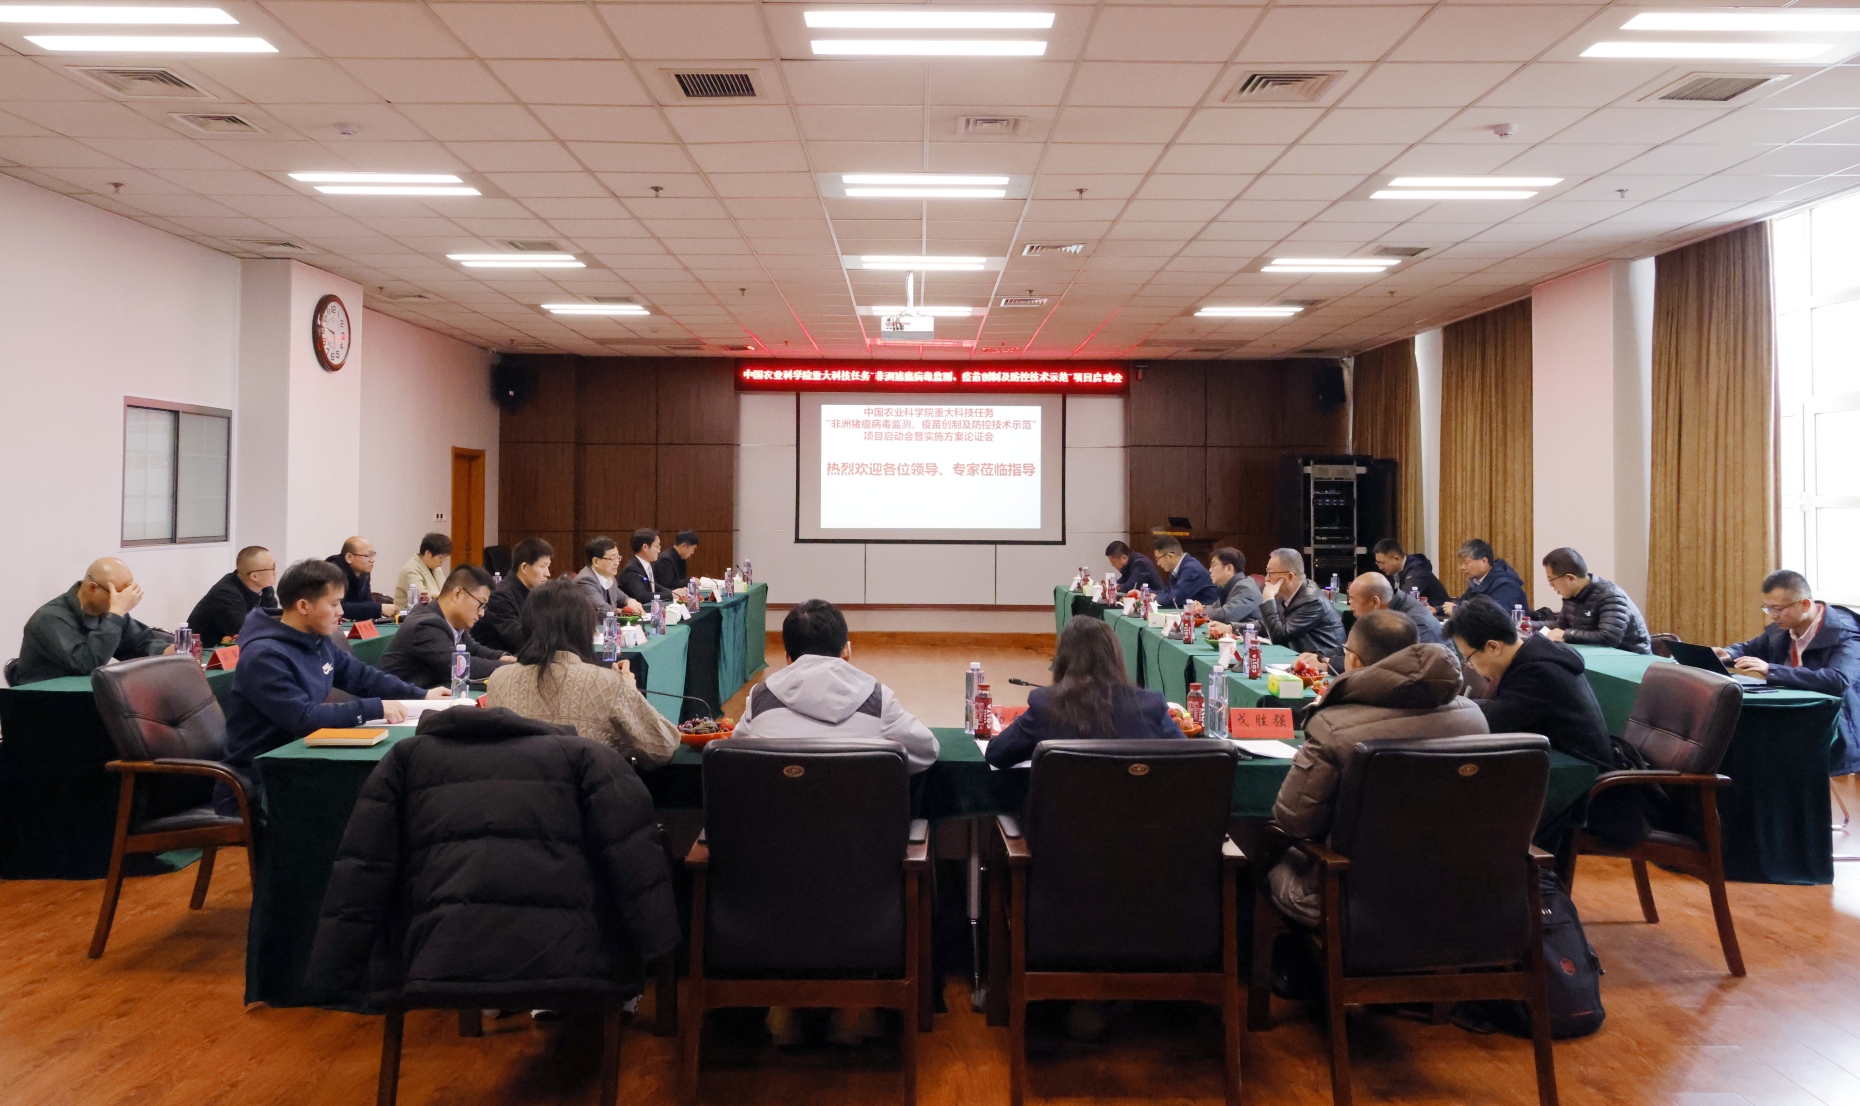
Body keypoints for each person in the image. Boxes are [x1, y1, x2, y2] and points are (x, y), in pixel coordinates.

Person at [304, 704, 680, 1020]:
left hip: (431, 960)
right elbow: (635, 860)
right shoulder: (588, 756)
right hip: (573, 961)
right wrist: (657, 949)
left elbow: (363, 867)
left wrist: (334, 975)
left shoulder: (403, 759)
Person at [732, 597, 938, 1047]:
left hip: (770, 885)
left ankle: (783, 1010)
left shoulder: (760, 698)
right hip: (863, 881)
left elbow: (738, 756)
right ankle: (854, 1013)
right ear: (847, 650)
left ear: (787, 656)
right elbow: (927, 751)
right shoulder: (876, 698)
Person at [1267, 613, 1489, 925]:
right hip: (1461, 891)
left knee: (1257, 851)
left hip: (1349, 894)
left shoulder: (1333, 727)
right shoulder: (1475, 718)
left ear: (1353, 660)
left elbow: (1294, 823)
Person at [217, 560, 442, 815]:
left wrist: (422, 695)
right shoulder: (263, 656)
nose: (341, 612)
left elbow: (362, 676)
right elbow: (303, 718)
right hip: (260, 781)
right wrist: (374, 708)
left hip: (304, 763)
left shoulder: (315, 639)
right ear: (303, 606)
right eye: (334, 604)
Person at [1445, 596, 1643, 847]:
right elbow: (1501, 711)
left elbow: (1492, 721)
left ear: (1493, 647)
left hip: (1582, 790)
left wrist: (1450, 709)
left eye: (1469, 658)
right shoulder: (1532, 656)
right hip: (1560, 772)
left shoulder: (1538, 672)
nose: (1470, 666)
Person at [481, 578, 680, 769]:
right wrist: (630, 690)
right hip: (585, 792)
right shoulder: (607, 683)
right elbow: (663, 748)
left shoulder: (500, 679)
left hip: (519, 791)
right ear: (584, 628)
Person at [985, 615, 1183, 769]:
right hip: (1137, 810)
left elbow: (996, 754)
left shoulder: (1045, 704)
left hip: (1063, 810)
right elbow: (1188, 757)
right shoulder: (1150, 705)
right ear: (1115, 657)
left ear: (1063, 659)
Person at [1719, 569, 1860, 776]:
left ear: (1805, 604)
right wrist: (1727, 654)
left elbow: (1838, 680)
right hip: (1797, 722)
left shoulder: (1845, 633)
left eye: (1778, 608)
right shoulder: (1784, 628)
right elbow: (1750, 649)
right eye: (1768, 608)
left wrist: (1771, 669)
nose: (1773, 615)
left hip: (1837, 733)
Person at [7, 557, 173, 686]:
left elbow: (139, 644)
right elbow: (86, 664)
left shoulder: (108, 613)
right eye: (117, 594)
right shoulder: (48, 619)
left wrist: (169, 651)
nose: (122, 601)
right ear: (93, 588)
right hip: (44, 703)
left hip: (83, 699)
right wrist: (115, 615)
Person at [379, 565, 516, 689]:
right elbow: (460, 666)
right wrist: (512, 668)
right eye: (480, 604)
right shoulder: (426, 625)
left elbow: (474, 650)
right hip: (398, 701)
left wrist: (502, 656)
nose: (482, 613)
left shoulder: (449, 621)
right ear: (458, 594)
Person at [1296, 571, 1446, 675]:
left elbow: (1389, 667)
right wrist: (1318, 656)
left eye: (1352, 599)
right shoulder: (1382, 615)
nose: (1350, 607)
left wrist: (1329, 664)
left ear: (1374, 602)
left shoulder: (1414, 623)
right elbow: (1354, 648)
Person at [1540, 547, 1651, 654]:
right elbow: (1560, 626)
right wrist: (1531, 625)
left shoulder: (1610, 596)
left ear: (1571, 578)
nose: (1551, 585)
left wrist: (1566, 634)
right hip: (1598, 655)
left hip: (1631, 656)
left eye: (1551, 579)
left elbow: (1609, 638)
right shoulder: (1572, 595)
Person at [1255, 548, 1346, 659]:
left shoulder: (1311, 600)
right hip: (1302, 656)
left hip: (1323, 661)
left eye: (1270, 573)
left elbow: (1279, 637)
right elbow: (1268, 625)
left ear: (1290, 577)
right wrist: (1236, 627)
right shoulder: (1286, 595)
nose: (1266, 579)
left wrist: (1268, 599)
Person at [185, 545, 278, 651]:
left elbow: (273, 623)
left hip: (234, 650)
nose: (276, 572)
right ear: (254, 576)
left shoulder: (266, 590)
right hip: (202, 652)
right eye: (272, 568)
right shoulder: (224, 594)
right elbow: (246, 631)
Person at [475, 537, 553, 654]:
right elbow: (519, 639)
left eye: (548, 567)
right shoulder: (499, 596)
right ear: (524, 567)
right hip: (501, 660)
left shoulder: (537, 593)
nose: (548, 573)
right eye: (543, 566)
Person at [1444, 538, 1527, 617]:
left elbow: (1497, 616)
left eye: (1466, 563)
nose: (1462, 567)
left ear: (1484, 561)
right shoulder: (1477, 582)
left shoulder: (1506, 584)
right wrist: (1440, 609)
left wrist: (1457, 611)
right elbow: (1462, 603)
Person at [325, 536, 396, 623]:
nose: (372, 560)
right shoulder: (332, 572)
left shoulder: (363, 571)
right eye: (367, 556)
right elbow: (338, 607)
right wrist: (379, 608)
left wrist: (377, 610)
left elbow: (366, 602)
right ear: (349, 557)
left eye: (373, 555)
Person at [1373, 538, 1450, 613]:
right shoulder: (1391, 572)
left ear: (1396, 559)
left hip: (1437, 614)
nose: (1380, 568)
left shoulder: (1417, 570)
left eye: (1382, 563)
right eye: (1378, 563)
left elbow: (1405, 600)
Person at [575, 536, 643, 616]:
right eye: (612, 558)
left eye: (618, 557)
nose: (617, 563)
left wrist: (630, 601)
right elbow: (603, 610)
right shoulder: (585, 580)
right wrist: (623, 611)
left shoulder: (609, 577)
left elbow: (622, 597)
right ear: (596, 561)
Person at [619, 529, 688, 607]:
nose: (659, 550)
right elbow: (642, 597)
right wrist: (670, 595)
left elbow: (654, 586)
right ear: (645, 547)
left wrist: (674, 592)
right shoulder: (631, 569)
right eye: (657, 546)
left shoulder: (645, 565)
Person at [1198, 547, 1263, 628]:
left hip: (1251, 635)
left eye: (1213, 565)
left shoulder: (1246, 588)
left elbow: (1224, 616)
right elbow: (1214, 608)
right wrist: (1201, 609)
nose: (1210, 570)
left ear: (1229, 568)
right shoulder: (1229, 586)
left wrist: (1199, 612)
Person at [1152, 535, 1219, 608]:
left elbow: (1174, 598)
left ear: (1170, 556)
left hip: (1207, 612)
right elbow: (1168, 592)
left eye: (1158, 558)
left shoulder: (1192, 569)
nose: (1158, 563)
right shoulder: (1179, 568)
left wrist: (1154, 598)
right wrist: (1149, 594)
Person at [393, 533, 450, 609]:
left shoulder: (437, 569)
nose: (442, 562)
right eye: (440, 558)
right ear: (428, 553)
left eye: (445, 558)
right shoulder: (410, 570)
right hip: (411, 614)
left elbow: (445, 590)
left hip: (433, 612)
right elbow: (422, 599)